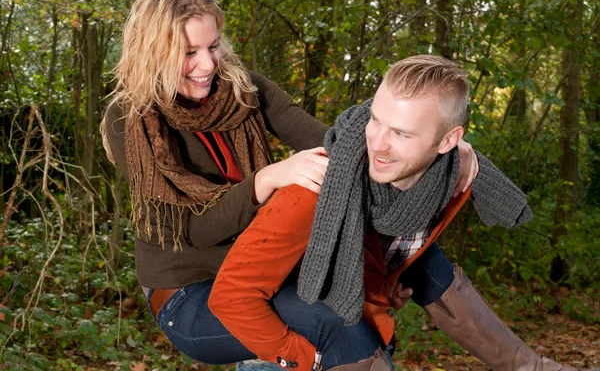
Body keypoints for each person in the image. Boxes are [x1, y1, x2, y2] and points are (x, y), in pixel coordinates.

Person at [99, 0, 479, 370]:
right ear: (152, 52)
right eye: (188, 52)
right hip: (190, 291)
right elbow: (191, 230)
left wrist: (438, 148)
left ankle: (525, 364)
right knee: (329, 323)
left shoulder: (243, 89)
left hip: (265, 274)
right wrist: (266, 180)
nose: (208, 64)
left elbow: (337, 144)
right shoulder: (131, 121)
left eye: (213, 46)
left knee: (372, 298)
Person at [209, 55, 600, 371]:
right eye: (375, 119)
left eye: (402, 133)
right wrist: (298, 356)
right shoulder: (314, 189)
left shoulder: (448, 178)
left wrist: (382, 284)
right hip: (288, 344)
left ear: (448, 140)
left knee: (431, 265)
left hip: (360, 319)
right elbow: (230, 297)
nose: (377, 143)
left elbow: (384, 250)